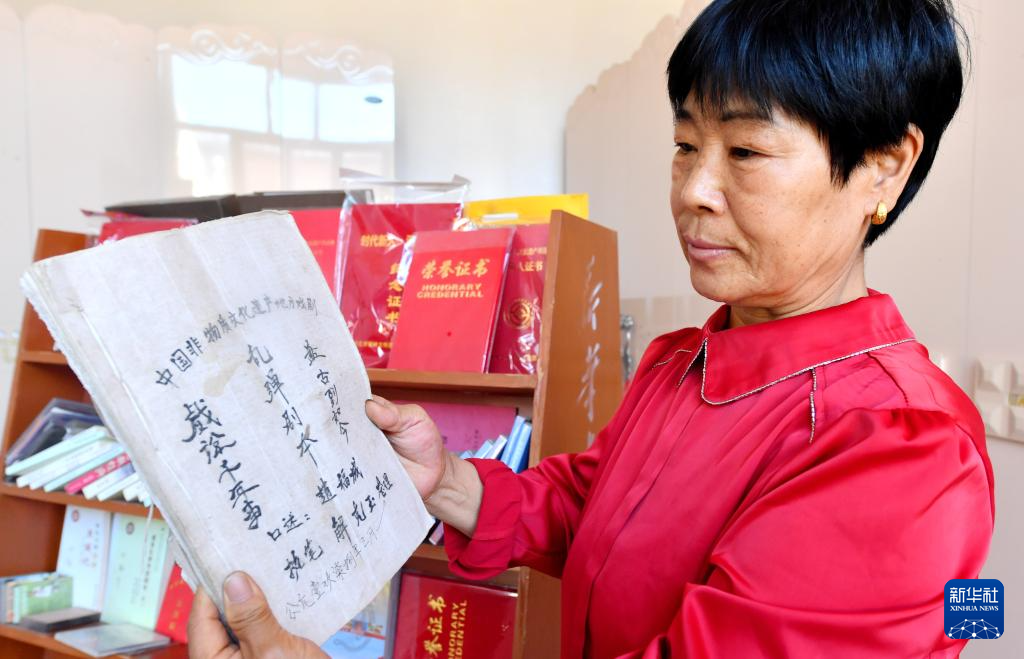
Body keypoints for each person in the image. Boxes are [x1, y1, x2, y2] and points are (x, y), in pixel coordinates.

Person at [189, 0, 994, 656]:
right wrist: (448, 482)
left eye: (746, 150)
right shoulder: (684, 361)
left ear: (884, 165)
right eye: (685, 144)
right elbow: (594, 503)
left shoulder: (903, 446)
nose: (693, 189)